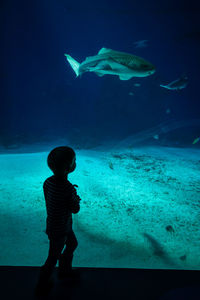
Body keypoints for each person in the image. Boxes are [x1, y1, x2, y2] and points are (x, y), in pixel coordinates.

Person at [35, 146, 81, 296]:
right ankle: (41, 285)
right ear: (69, 167)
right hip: (61, 228)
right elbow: (75, 209)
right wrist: (75, 199)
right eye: (74, 161)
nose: (75, 163)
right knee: (52, 257)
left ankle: (64, 270)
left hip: (56, 225)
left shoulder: (47, 182)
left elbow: (51, 200)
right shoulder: (68, 189)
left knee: (73, 244)